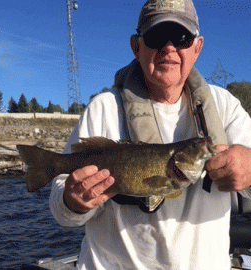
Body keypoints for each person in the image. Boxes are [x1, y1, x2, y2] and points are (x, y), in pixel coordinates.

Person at [49, 0, 251, 269]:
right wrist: (72, 202)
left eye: (181, 38)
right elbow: (61, 211)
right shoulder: (103, 108)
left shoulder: (225, 106)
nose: (169, 48)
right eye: (157, 36)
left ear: (197, 47)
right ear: (137, 46)